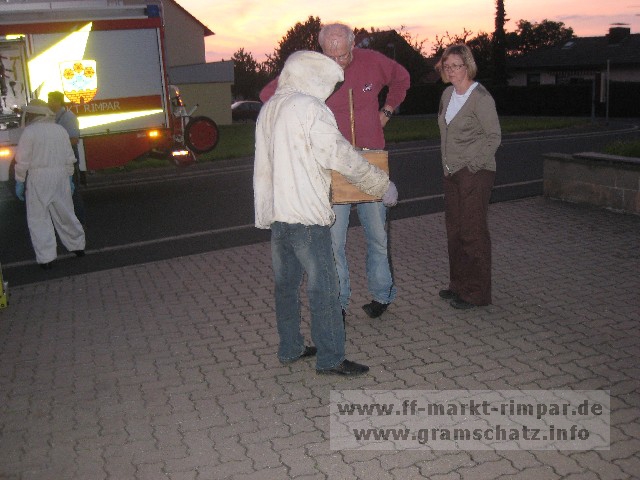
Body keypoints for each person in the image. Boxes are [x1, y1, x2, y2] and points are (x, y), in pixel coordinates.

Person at [254, 50, 398, 376]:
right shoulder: (309, 108)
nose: (329, 91)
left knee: (286, 287)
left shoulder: (270, 108)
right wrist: (381, 185)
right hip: (306, 215)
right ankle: (331, 358)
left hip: (278, 213)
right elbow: (341, 156)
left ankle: (290, 348)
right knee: (325, 289)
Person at [260, 23, 410, 320]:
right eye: (331, 56)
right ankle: (339, 302)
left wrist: (387, 110)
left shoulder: (372, 61)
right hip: (333, 163)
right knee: (333, 243)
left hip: (370, 160)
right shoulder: (311, 69)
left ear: (353, 45)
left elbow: (402, 78)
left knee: (378, 237)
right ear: (321, 50)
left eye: (343, 55)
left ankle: (382, 294)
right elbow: (269, 94)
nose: (338, 63)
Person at [435, 44, 501, 309]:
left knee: (473, 232)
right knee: (455, 231)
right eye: (447, 66)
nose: (451, 70)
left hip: (476, 172)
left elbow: (494, 137)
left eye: (456, 66)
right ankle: (458, 285)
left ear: (467, 66)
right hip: (451, 171)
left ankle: (477, 294)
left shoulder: (480, 97)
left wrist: (473, 165)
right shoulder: (447, 94)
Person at [14, 99, 86, 269]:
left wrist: (20, 180)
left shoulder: (29, 132)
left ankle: (46, 258)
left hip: (38, 178)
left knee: (39, 218)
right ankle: (78, 246)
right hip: (61, 176)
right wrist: (69, 177)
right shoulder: (59, 130)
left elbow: (22, 160)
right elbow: (69, 156)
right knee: (66, 213)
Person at [47, 90, 86, 226]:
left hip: (69, 160)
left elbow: (74, 139)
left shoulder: (68, 117)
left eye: (51, 100)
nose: (48, 103)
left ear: (58, 102)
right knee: (64, 192)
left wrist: (55, 143)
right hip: (60, 160)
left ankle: (80, 222)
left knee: (73, 192)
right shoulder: (54, 117)